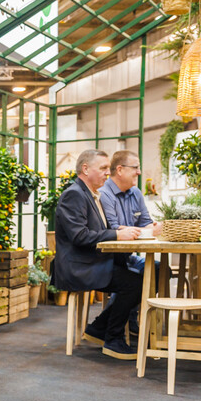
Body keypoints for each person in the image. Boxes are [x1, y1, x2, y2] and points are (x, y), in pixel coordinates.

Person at [52, 149, 144, 360]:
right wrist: (116, 235)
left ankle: (100, 328)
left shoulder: (91, 195)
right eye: (103, 168)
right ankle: (112, 339)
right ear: (85, 169)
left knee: (138, 277)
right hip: (78, 268)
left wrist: (118, 233)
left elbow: (91, 233)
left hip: (90, 262)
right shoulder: (74, 194)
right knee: (134, 283)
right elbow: (80, 236)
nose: (107, 173)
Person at [99, 149, 154, 274]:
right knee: (135, 280)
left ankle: (139, 294)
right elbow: (116, 230)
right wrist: (147, 230)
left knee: (161, 270)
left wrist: (155, 228)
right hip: (109, 260)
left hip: (128, 257)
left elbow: (147, 223)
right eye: (135, 167)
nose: (139, 172)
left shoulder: (136, 192)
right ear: (120, 170)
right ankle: (126, 294)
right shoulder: (104, 194)